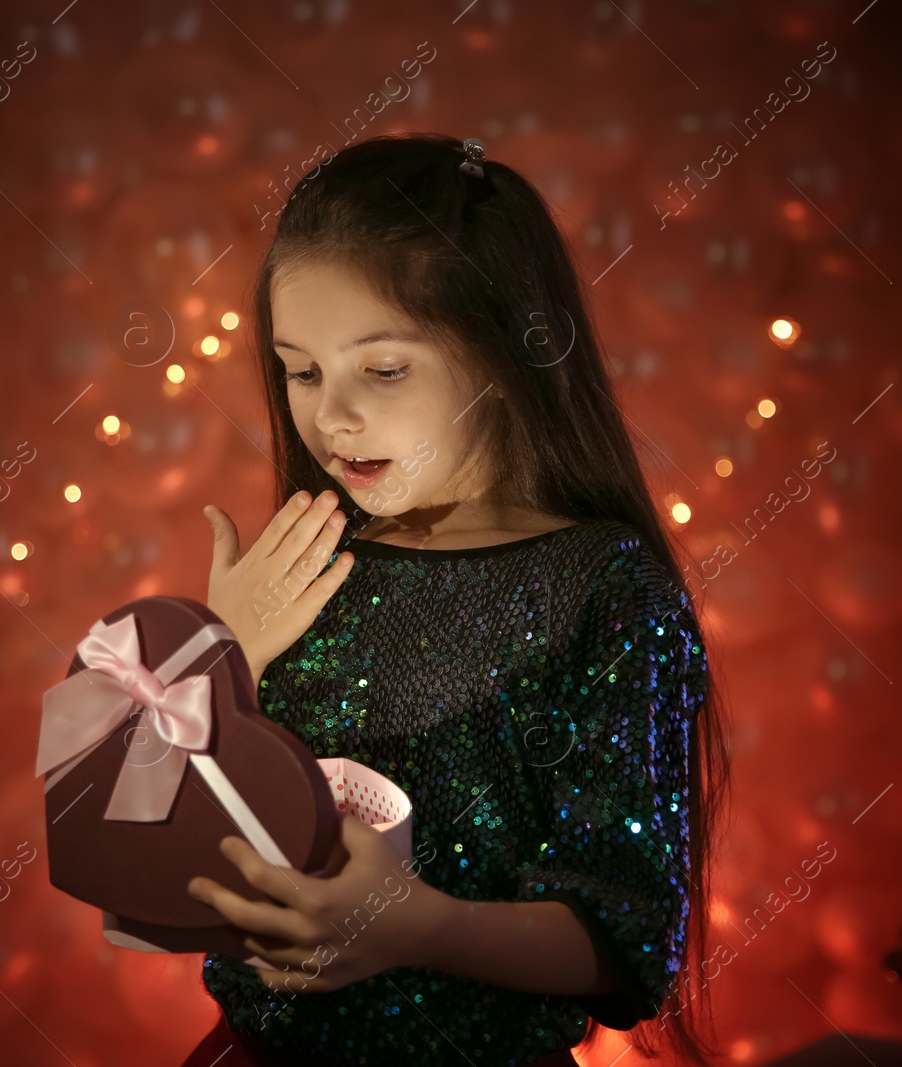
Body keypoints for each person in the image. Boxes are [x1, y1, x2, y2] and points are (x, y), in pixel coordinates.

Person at [187, 133, 729, 1067]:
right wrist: (221, 659)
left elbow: (629, 937)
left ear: (503, 354)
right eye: (302, 370)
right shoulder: (305, 563)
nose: (331, 416)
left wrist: (416, 928)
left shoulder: (603, 589)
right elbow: (157, 840)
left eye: (383, 369)